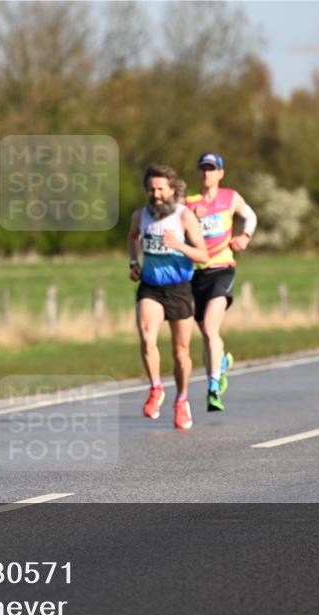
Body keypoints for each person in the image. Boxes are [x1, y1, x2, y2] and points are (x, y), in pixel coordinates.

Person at [128, 164, 209, 430]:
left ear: (172, 190)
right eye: (151, 189)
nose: (155, 194)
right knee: (146, 335)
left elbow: (203, 256)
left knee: (181, 353)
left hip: (179, 289)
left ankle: (181, 400)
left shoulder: (184, 217)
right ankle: (155, 389)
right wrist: (133, 262)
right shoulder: (141, 216)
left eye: (160, 188)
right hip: (151, 287)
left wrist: (178, 245)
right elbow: (133, 237)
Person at [185, 152, 258, 411]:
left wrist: (245, 237)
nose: (207, 173)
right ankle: (221, 365)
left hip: (221, 268)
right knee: (206, 334)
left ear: (220, 173)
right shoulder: (187, 202)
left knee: (209, 329)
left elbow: (251, 216)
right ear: (198, 173)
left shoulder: (230, 197)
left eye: (211, 169)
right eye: (203, 169)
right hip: (194, 273)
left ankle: (213, 387)